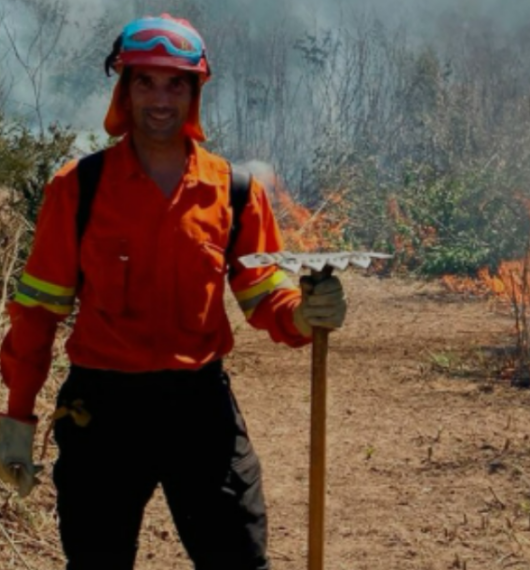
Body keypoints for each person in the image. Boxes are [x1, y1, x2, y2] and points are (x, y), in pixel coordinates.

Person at [0, 13, 346, 570]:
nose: (161, 98)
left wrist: (304, 316)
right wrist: (16, 419)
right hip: (104, 410)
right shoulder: (78, 189)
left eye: (176, 83)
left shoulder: (234, 191)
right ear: (125, 89)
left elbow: (263, 293)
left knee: (238, 558)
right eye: (146, 82)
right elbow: (37, 313)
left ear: (195, 93)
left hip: (200, 409)